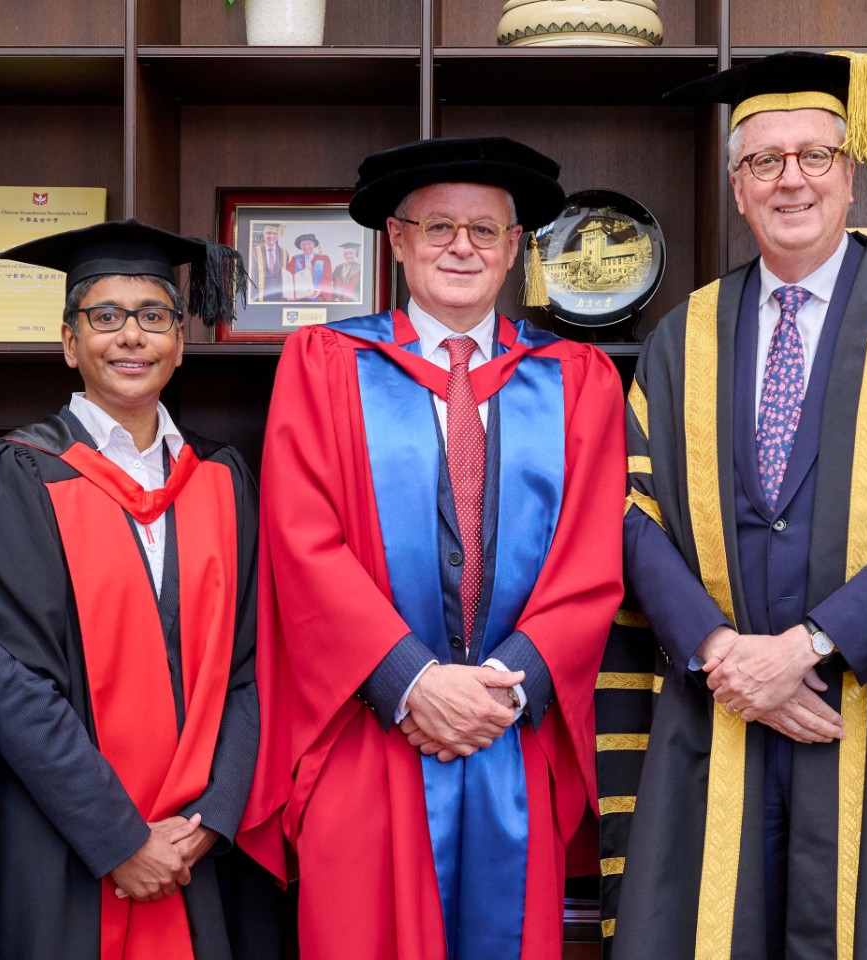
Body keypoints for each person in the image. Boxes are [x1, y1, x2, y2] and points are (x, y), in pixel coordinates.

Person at [599, 52, 867, 959]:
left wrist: (806, 648)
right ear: (736, 186)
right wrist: (727, 657)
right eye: (765, 160)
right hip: (716, 708)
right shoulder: (683, 336)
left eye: (814, 156)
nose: (790, 178)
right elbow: (628, 514)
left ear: (851, 172)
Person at [236, 137, 626, 960]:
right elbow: (301, 542)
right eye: (438, 226)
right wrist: (411, 683)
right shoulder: (325, 363)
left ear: (516, 248)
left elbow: (591, 563)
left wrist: (499, 696)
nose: (462, 247)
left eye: (485, 231)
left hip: (510, 735)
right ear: (397, 239)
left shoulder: (578, 377)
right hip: (370, 731)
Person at [0, 220, 279, 960]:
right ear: (68, 342)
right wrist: (120, 840)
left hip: (195, 852)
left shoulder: (222, 480)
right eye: (105, 317)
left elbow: (253, 664)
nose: (131, 337)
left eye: (153, 316)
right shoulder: (15, 477)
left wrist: (211, 818)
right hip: (69, 850)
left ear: (179, 342)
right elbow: (8, 682)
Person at [283, 232, 332, 301]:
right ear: (300, 247)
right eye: (303, 245)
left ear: (314, 245)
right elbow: (289, 277)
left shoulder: (324, 259)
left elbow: (327, 278)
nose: (306, 247)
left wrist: (318, 290)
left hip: (318, 297)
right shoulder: (295, 259)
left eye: (309, 244)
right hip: (299, 298)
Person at [251, 222, 289, 300]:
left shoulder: (284, 253)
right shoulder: (254, 252)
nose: (271, 236)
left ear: (277, 236)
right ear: (264, 235)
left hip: (278, 295)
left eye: (274, 233)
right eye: (268, 233)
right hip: (259, 295)